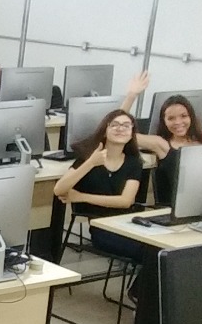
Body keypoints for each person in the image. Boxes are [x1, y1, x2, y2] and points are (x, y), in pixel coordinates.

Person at [53, 108, 149, 266]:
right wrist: (91, 163)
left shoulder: (133, 162)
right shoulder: (89, 158)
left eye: (126, 126)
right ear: (105, 131)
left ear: (132, 133)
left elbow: (125, 201)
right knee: (149, 252)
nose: (120, 128)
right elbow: (59, 189)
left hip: (127, 224)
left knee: (159, 250)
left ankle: (142, 283)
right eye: (115, 125)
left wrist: (81, 197)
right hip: (101, 229)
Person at [122, 73, 202, 204]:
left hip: (201, 206)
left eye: (183, 116)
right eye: (171, 118)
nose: (178, 122)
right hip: (171, 209)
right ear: (164, 121)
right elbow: (122, 131)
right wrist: (131, 95)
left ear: (191, 117)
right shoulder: (162, 144)